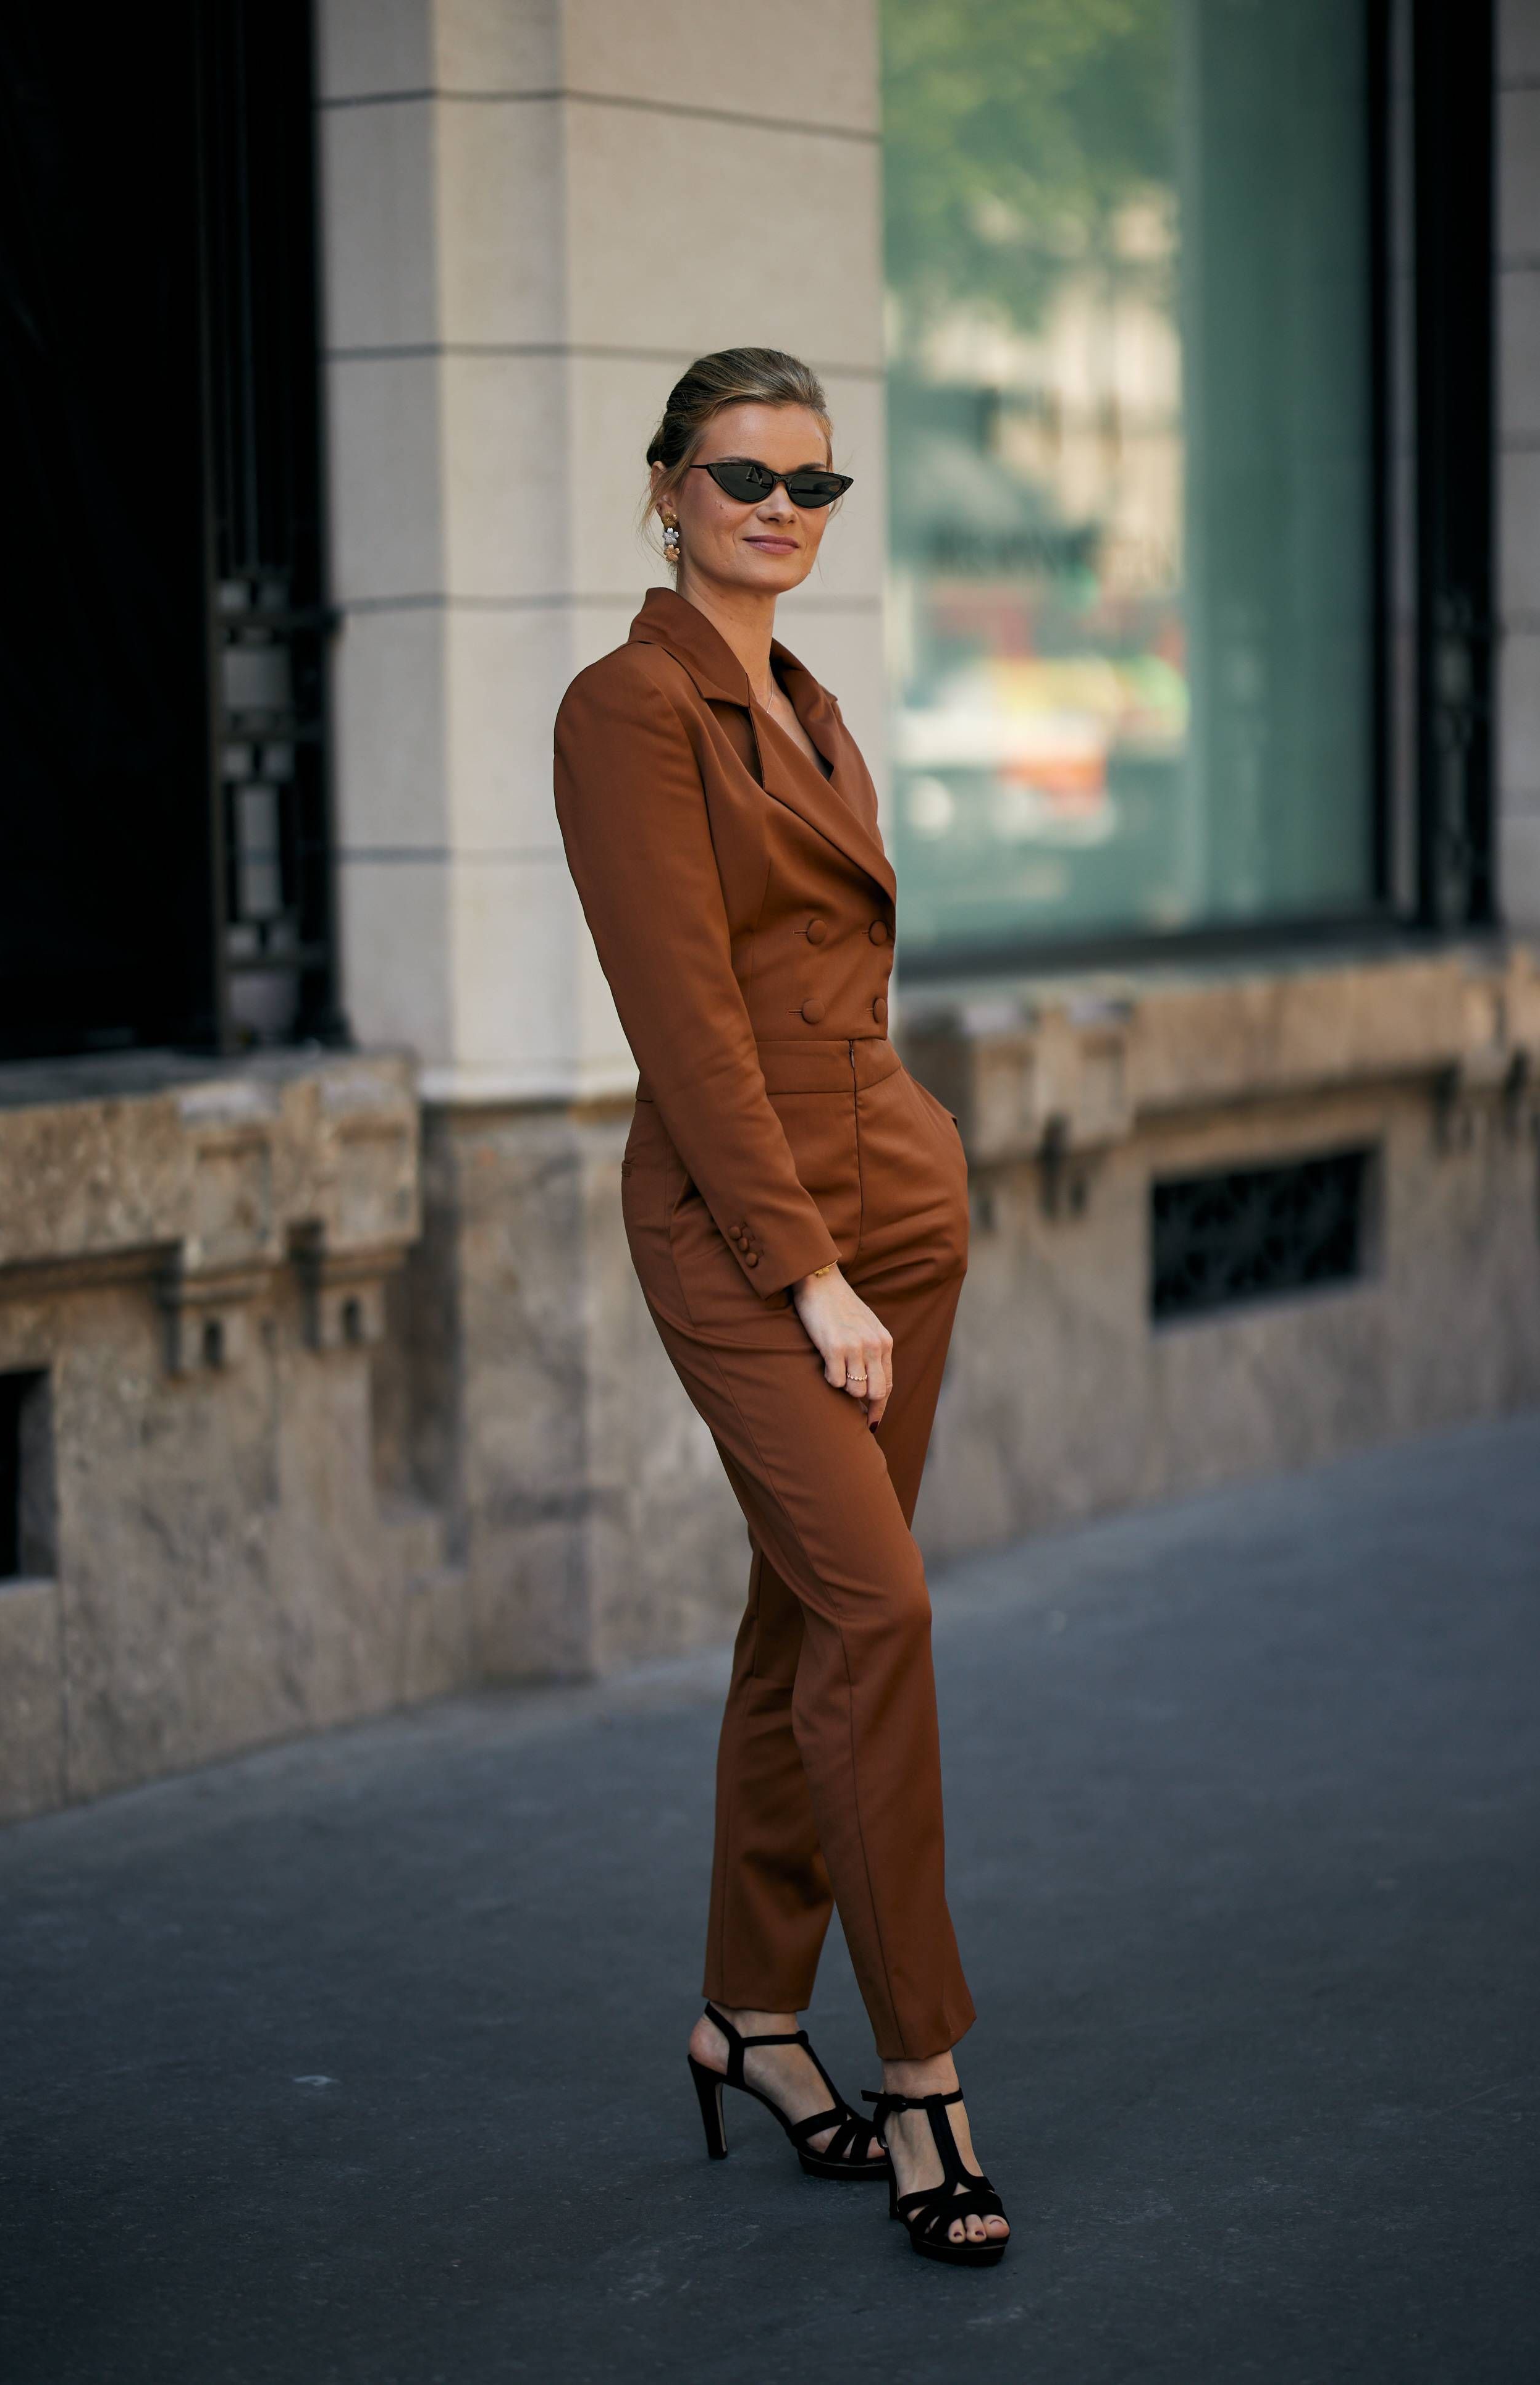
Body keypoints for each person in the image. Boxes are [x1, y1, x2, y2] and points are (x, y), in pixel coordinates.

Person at [553, 348, 1006, 2268]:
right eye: (741, 473)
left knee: (806, 1614)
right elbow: (693, 1027)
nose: (776, 508)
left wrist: (887, 1208)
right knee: (880, 1606)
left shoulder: (810, 706)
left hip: (895, 1194)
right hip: (752, 1231)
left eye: (813, 485)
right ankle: (927, 2080)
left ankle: (748, 2015)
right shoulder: (627, 708)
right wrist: (806, 1271)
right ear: (664, 487)